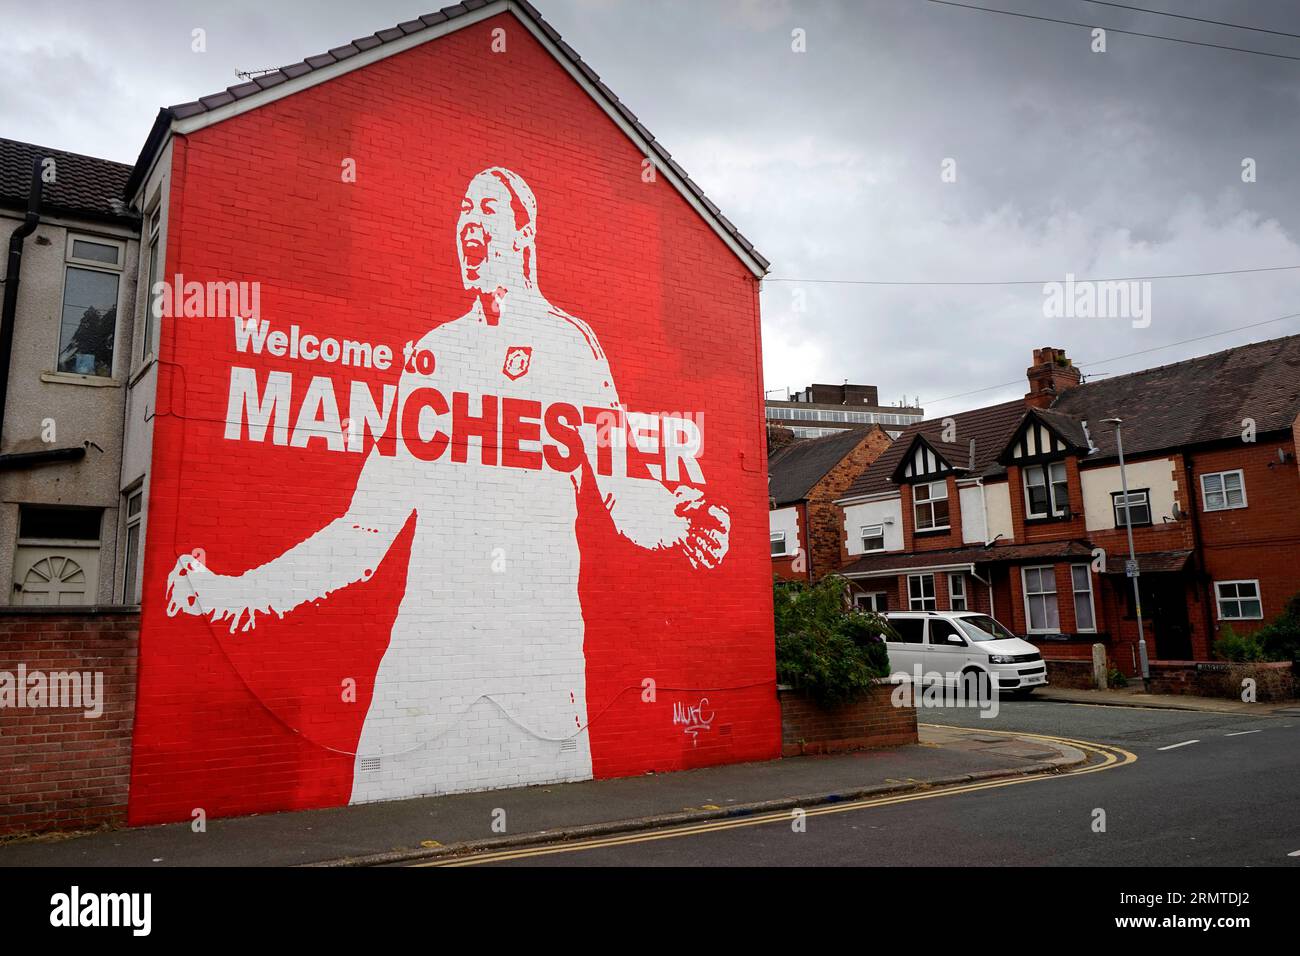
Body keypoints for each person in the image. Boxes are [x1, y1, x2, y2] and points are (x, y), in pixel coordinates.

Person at [166, 167, 730, 803]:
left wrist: (684, 517)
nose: (468, 220)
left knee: (551, 828)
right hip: (422, 681)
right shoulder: (431, 357)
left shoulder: (571, 349)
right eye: (463, 209)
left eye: (485, 209)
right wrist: (239, 594)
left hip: (540, 687)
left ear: (523, 236)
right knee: (373, 822)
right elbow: (363, 533)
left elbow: (625, 497)